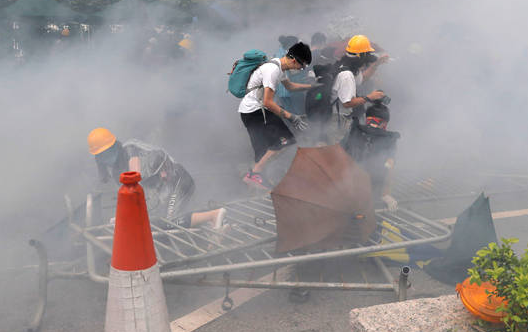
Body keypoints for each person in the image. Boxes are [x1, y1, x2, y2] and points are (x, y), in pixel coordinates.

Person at [87, 127, 225, 228]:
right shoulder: (116, 172)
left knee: (169, 222)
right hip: (163, 192)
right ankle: (216, 223)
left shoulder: (130, 148)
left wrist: (125, 217)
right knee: (159, 221)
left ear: (115, 145)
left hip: (178, 181)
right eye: (101, 155)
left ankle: (213, 215)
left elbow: (134, 180)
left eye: (108, 151)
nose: (106, 157)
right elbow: (129, 197)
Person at [239, 42, 314, 188]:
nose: (301, 69)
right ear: (294, 60)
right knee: (284, 141)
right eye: (302, 65)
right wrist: (292, 117)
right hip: (255, 111)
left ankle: (256, 178)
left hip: (255, 111)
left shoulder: (280, 68)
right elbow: (268, 102)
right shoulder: (273, 71)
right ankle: (254, 174)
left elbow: (290, 86)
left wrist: (312, 86)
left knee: (264, 150)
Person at [328, 34, 388, 143]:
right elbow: (347, 103)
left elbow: (362, 78)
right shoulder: (346, 75)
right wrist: (370, 97)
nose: (366, 62)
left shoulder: (347, 67)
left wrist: (375, 65)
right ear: (361, 56)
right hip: (337, 120)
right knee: (337, 151)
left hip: (340, 118)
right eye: (366, 57)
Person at [342, 102, 399, 211]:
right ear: (384, 124)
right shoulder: (389, 139)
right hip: (369, 192)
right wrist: (385, 195)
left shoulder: (354, 131)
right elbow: (389, 166)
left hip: (345, 188)